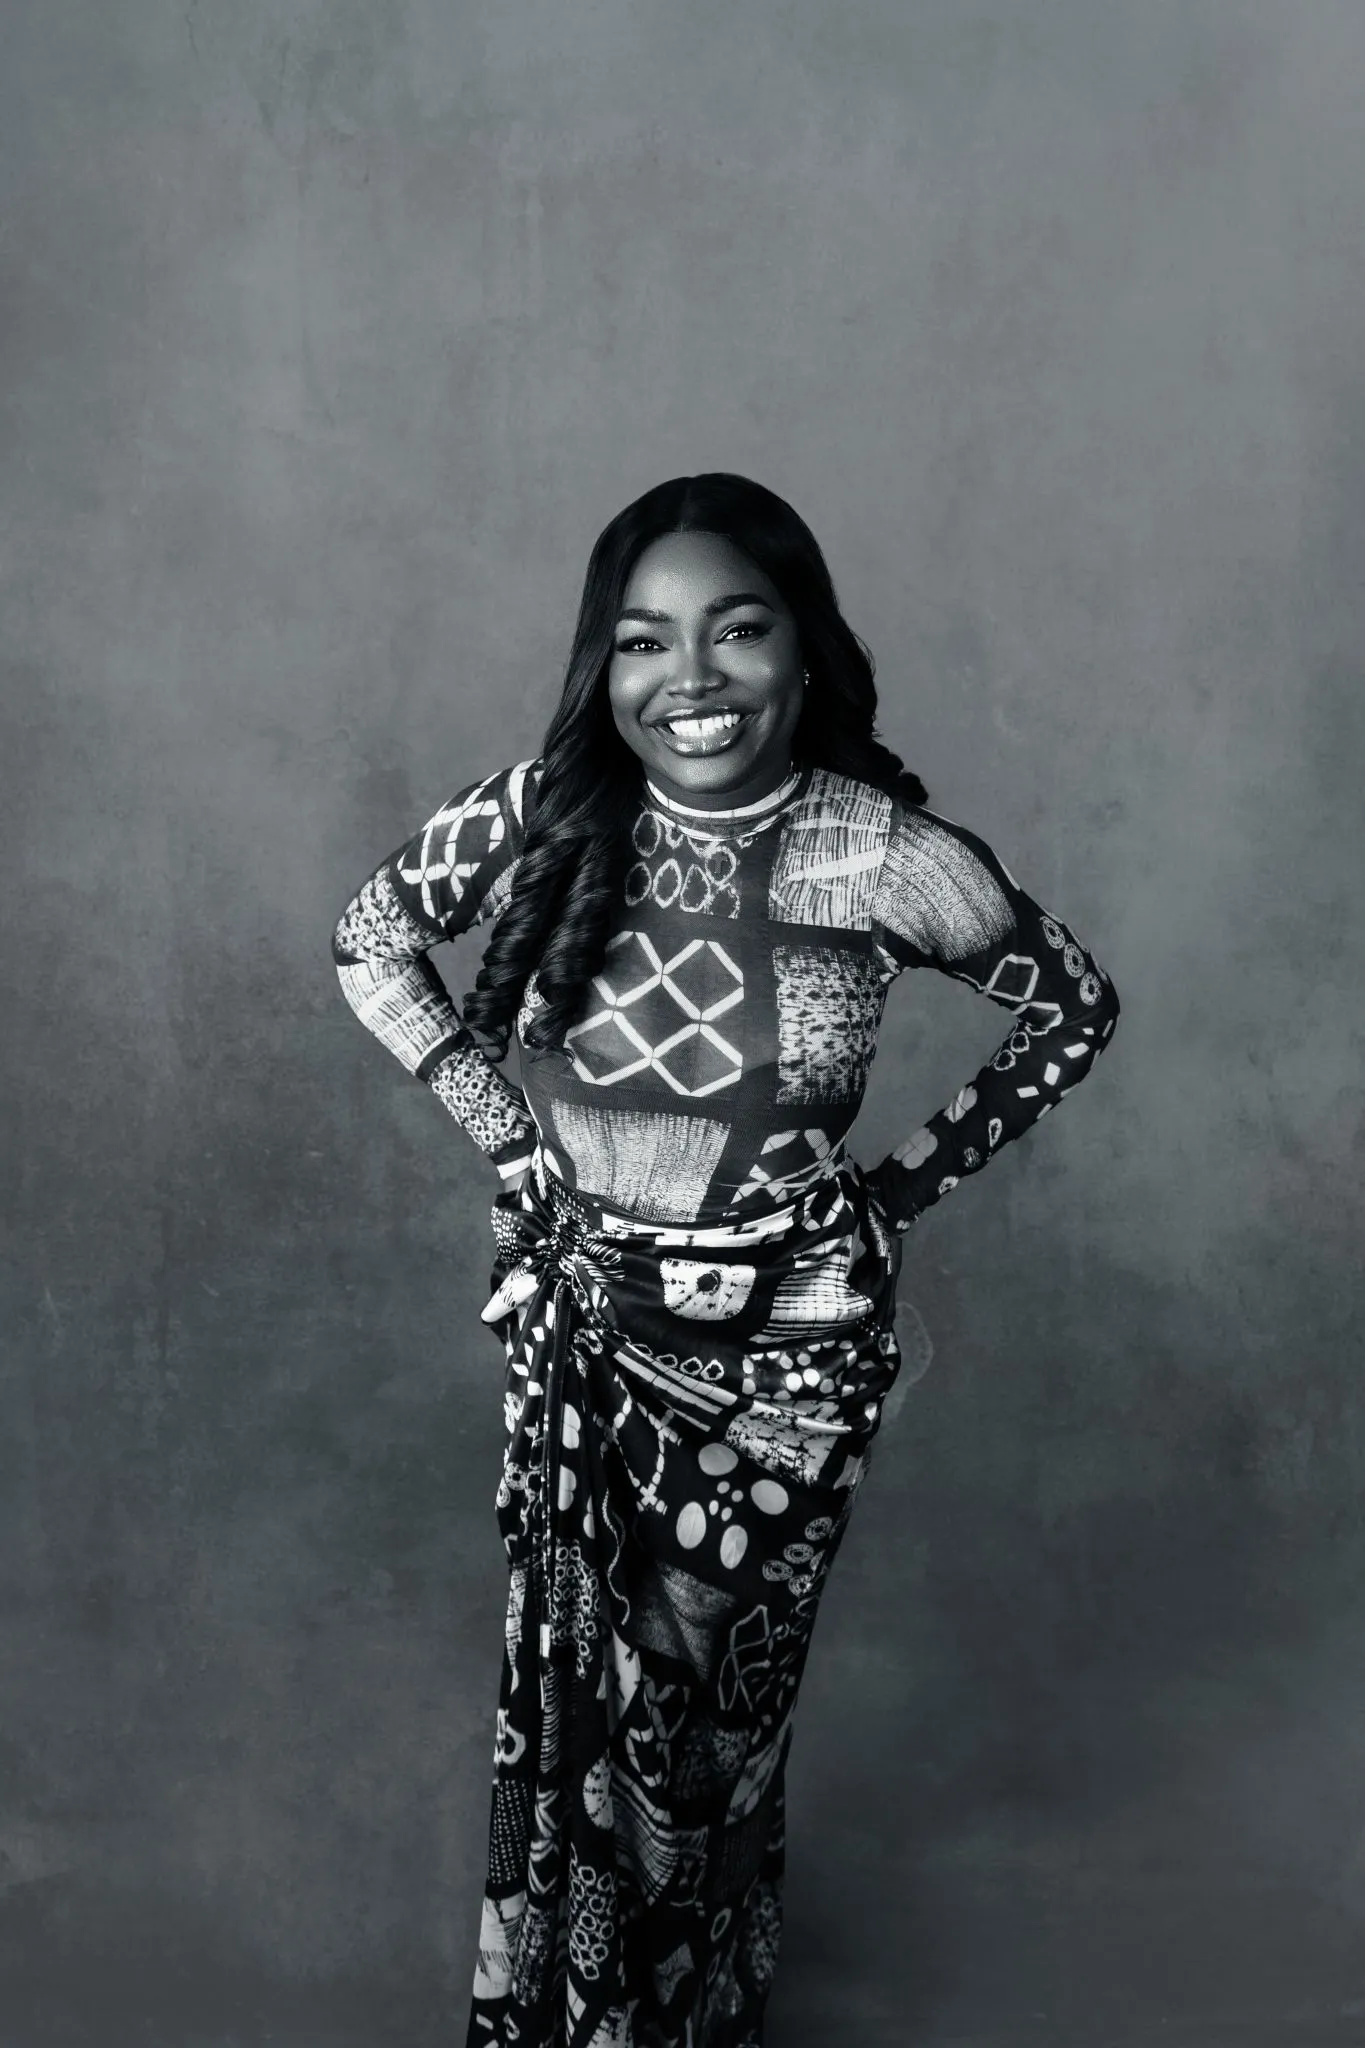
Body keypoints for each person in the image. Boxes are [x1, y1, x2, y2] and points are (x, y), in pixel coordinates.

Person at [331, 473, 1121, 2048]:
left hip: (789, 1356)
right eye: (642, 643)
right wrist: (510, 1140)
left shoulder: (879, 854)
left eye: (736, 631)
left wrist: (895, 1194)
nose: (687, 681)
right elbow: (369, 941)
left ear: (804, 651)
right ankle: (625, 2010)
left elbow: (1073, 1008)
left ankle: (683, 2015)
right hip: (585, 1319)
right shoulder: (546, 813)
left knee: (691, 1712)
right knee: (587, 1706)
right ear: (601, 669)